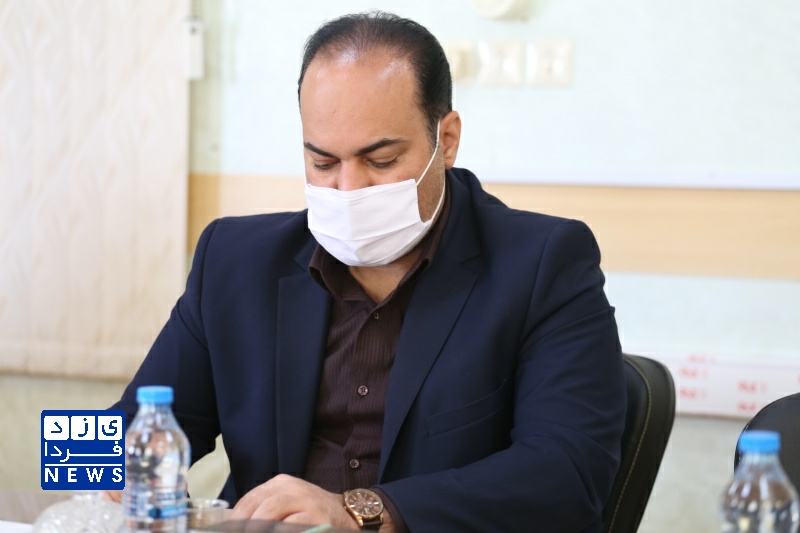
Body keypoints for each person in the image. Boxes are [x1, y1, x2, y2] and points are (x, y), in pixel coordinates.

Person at [110, 11, 626, 533]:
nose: (349, 189)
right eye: (323, 163)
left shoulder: (542, 264)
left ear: (446, 140)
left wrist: (362, 512)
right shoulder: (236, 261)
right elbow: (123, 429)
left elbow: (570, 474)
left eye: (380, 161)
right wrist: (101, 471)